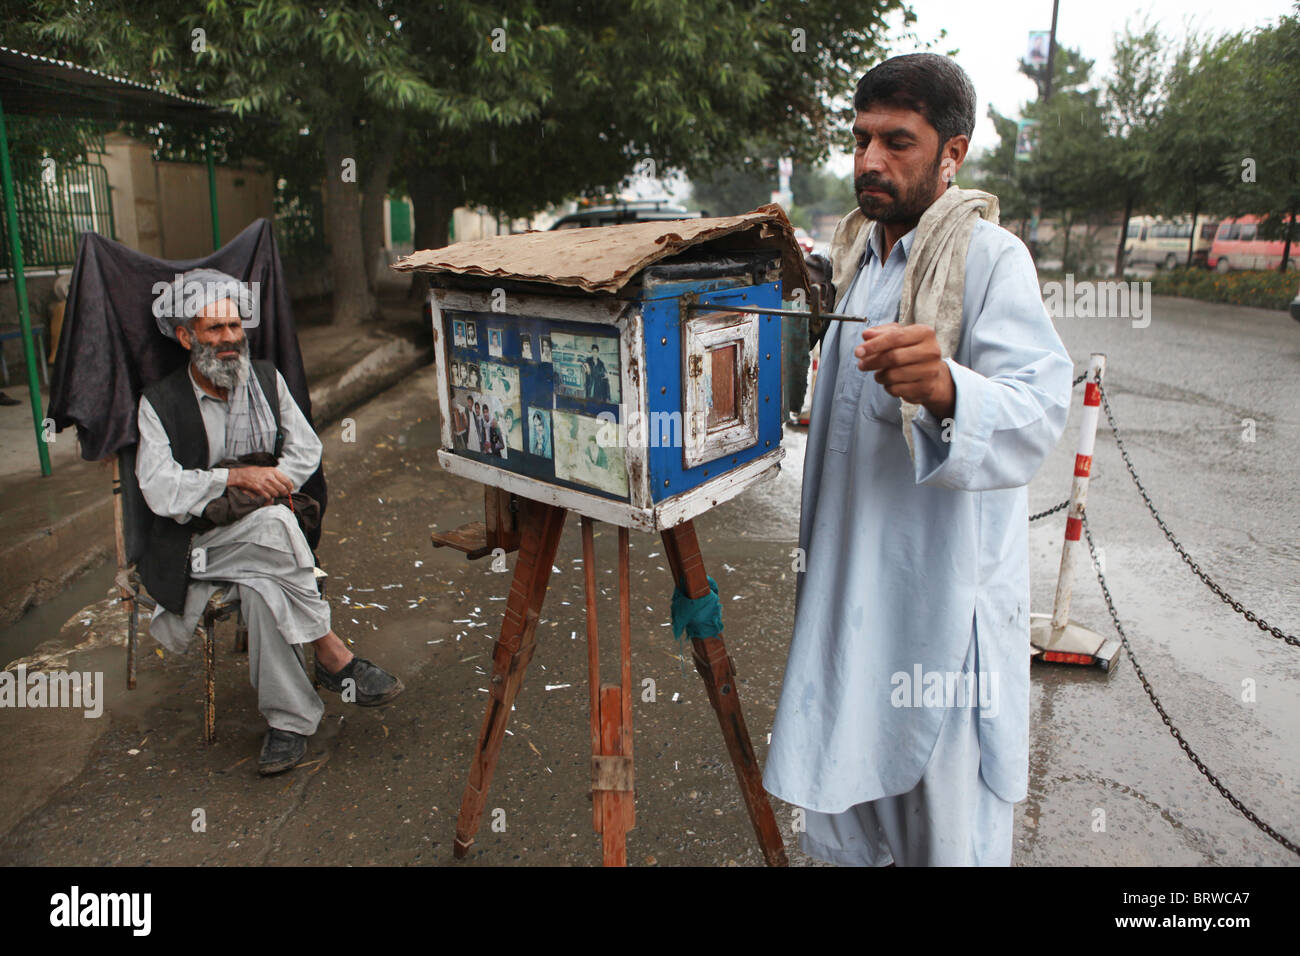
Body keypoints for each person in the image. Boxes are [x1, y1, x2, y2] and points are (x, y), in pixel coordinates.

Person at [762, 54, 1073, 867]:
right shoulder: (860, 257)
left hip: (939, 620)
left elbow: (1041, 411)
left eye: (897, 141)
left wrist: (948, 390)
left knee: (944, 838)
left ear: (952, 153)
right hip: (846, 597)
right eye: (861, 138)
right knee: (844, 820)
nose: (870, 160)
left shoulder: (987, 260)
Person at [137, 268, 404, 776]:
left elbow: (307, 448)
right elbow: (161, 490)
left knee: (263, 585)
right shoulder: (159, 403)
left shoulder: (264, 379)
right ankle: (332, 655)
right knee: (277, 526)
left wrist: (271, 482)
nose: (230, 339)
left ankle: (290, 722)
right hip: (196, 544)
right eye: (214, 329)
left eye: (235, 327)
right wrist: (238, 479)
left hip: (259, 544)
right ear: (186, 336)